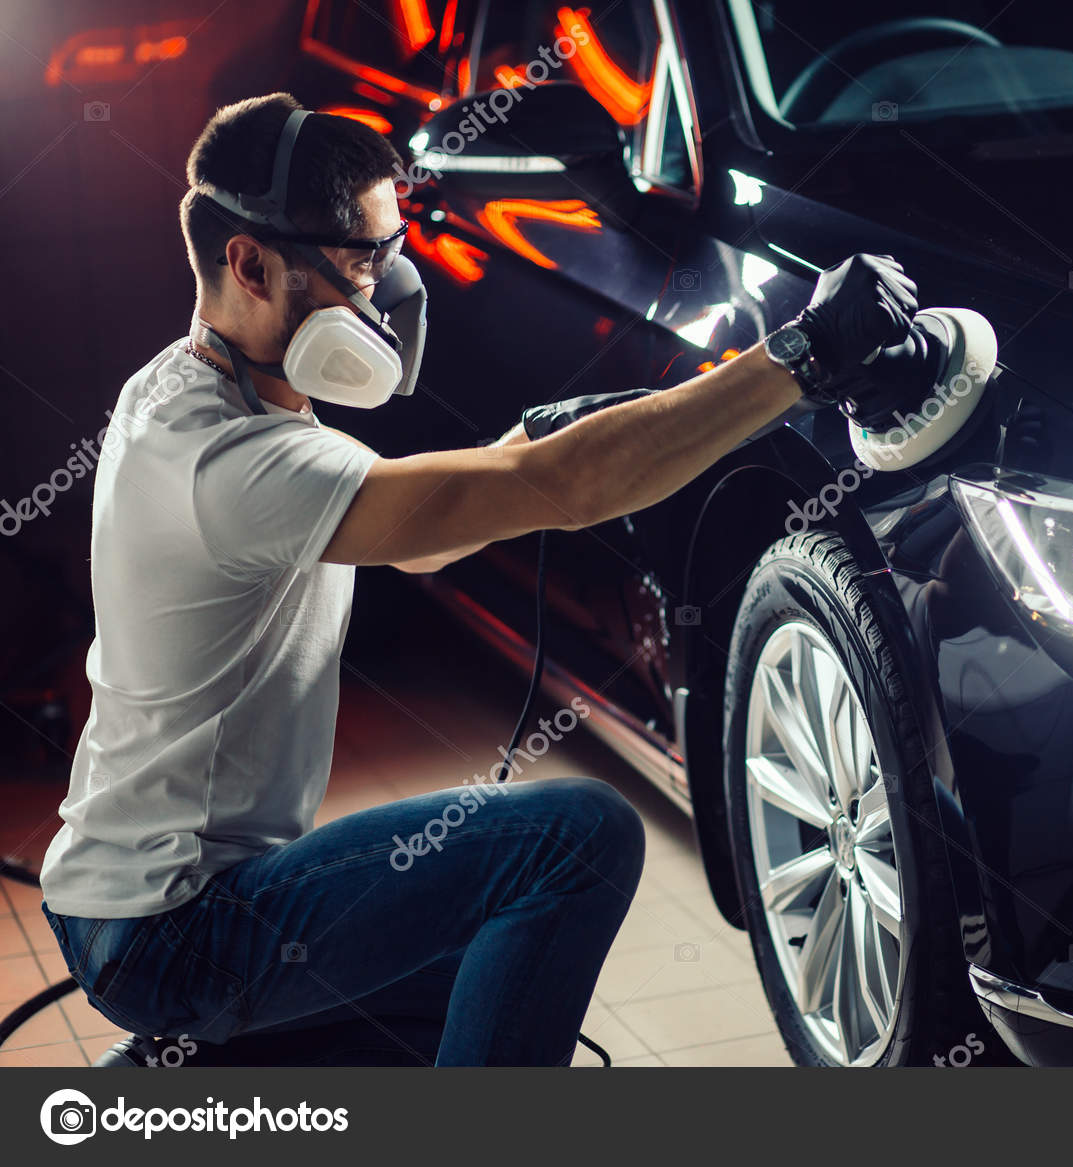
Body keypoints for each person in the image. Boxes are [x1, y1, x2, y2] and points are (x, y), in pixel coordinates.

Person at [36, 93, 922, 1066]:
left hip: (145, 901)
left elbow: (417, 538)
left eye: (390, 249)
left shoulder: (193, 388)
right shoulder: (233, 466)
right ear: (250, 263)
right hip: (178, 930)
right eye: (362, 260)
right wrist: (801, 356)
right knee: (572, 839)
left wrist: (533, 438)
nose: (390, 290)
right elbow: (564, 490)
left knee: (482, 971)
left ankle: (194, 1083)